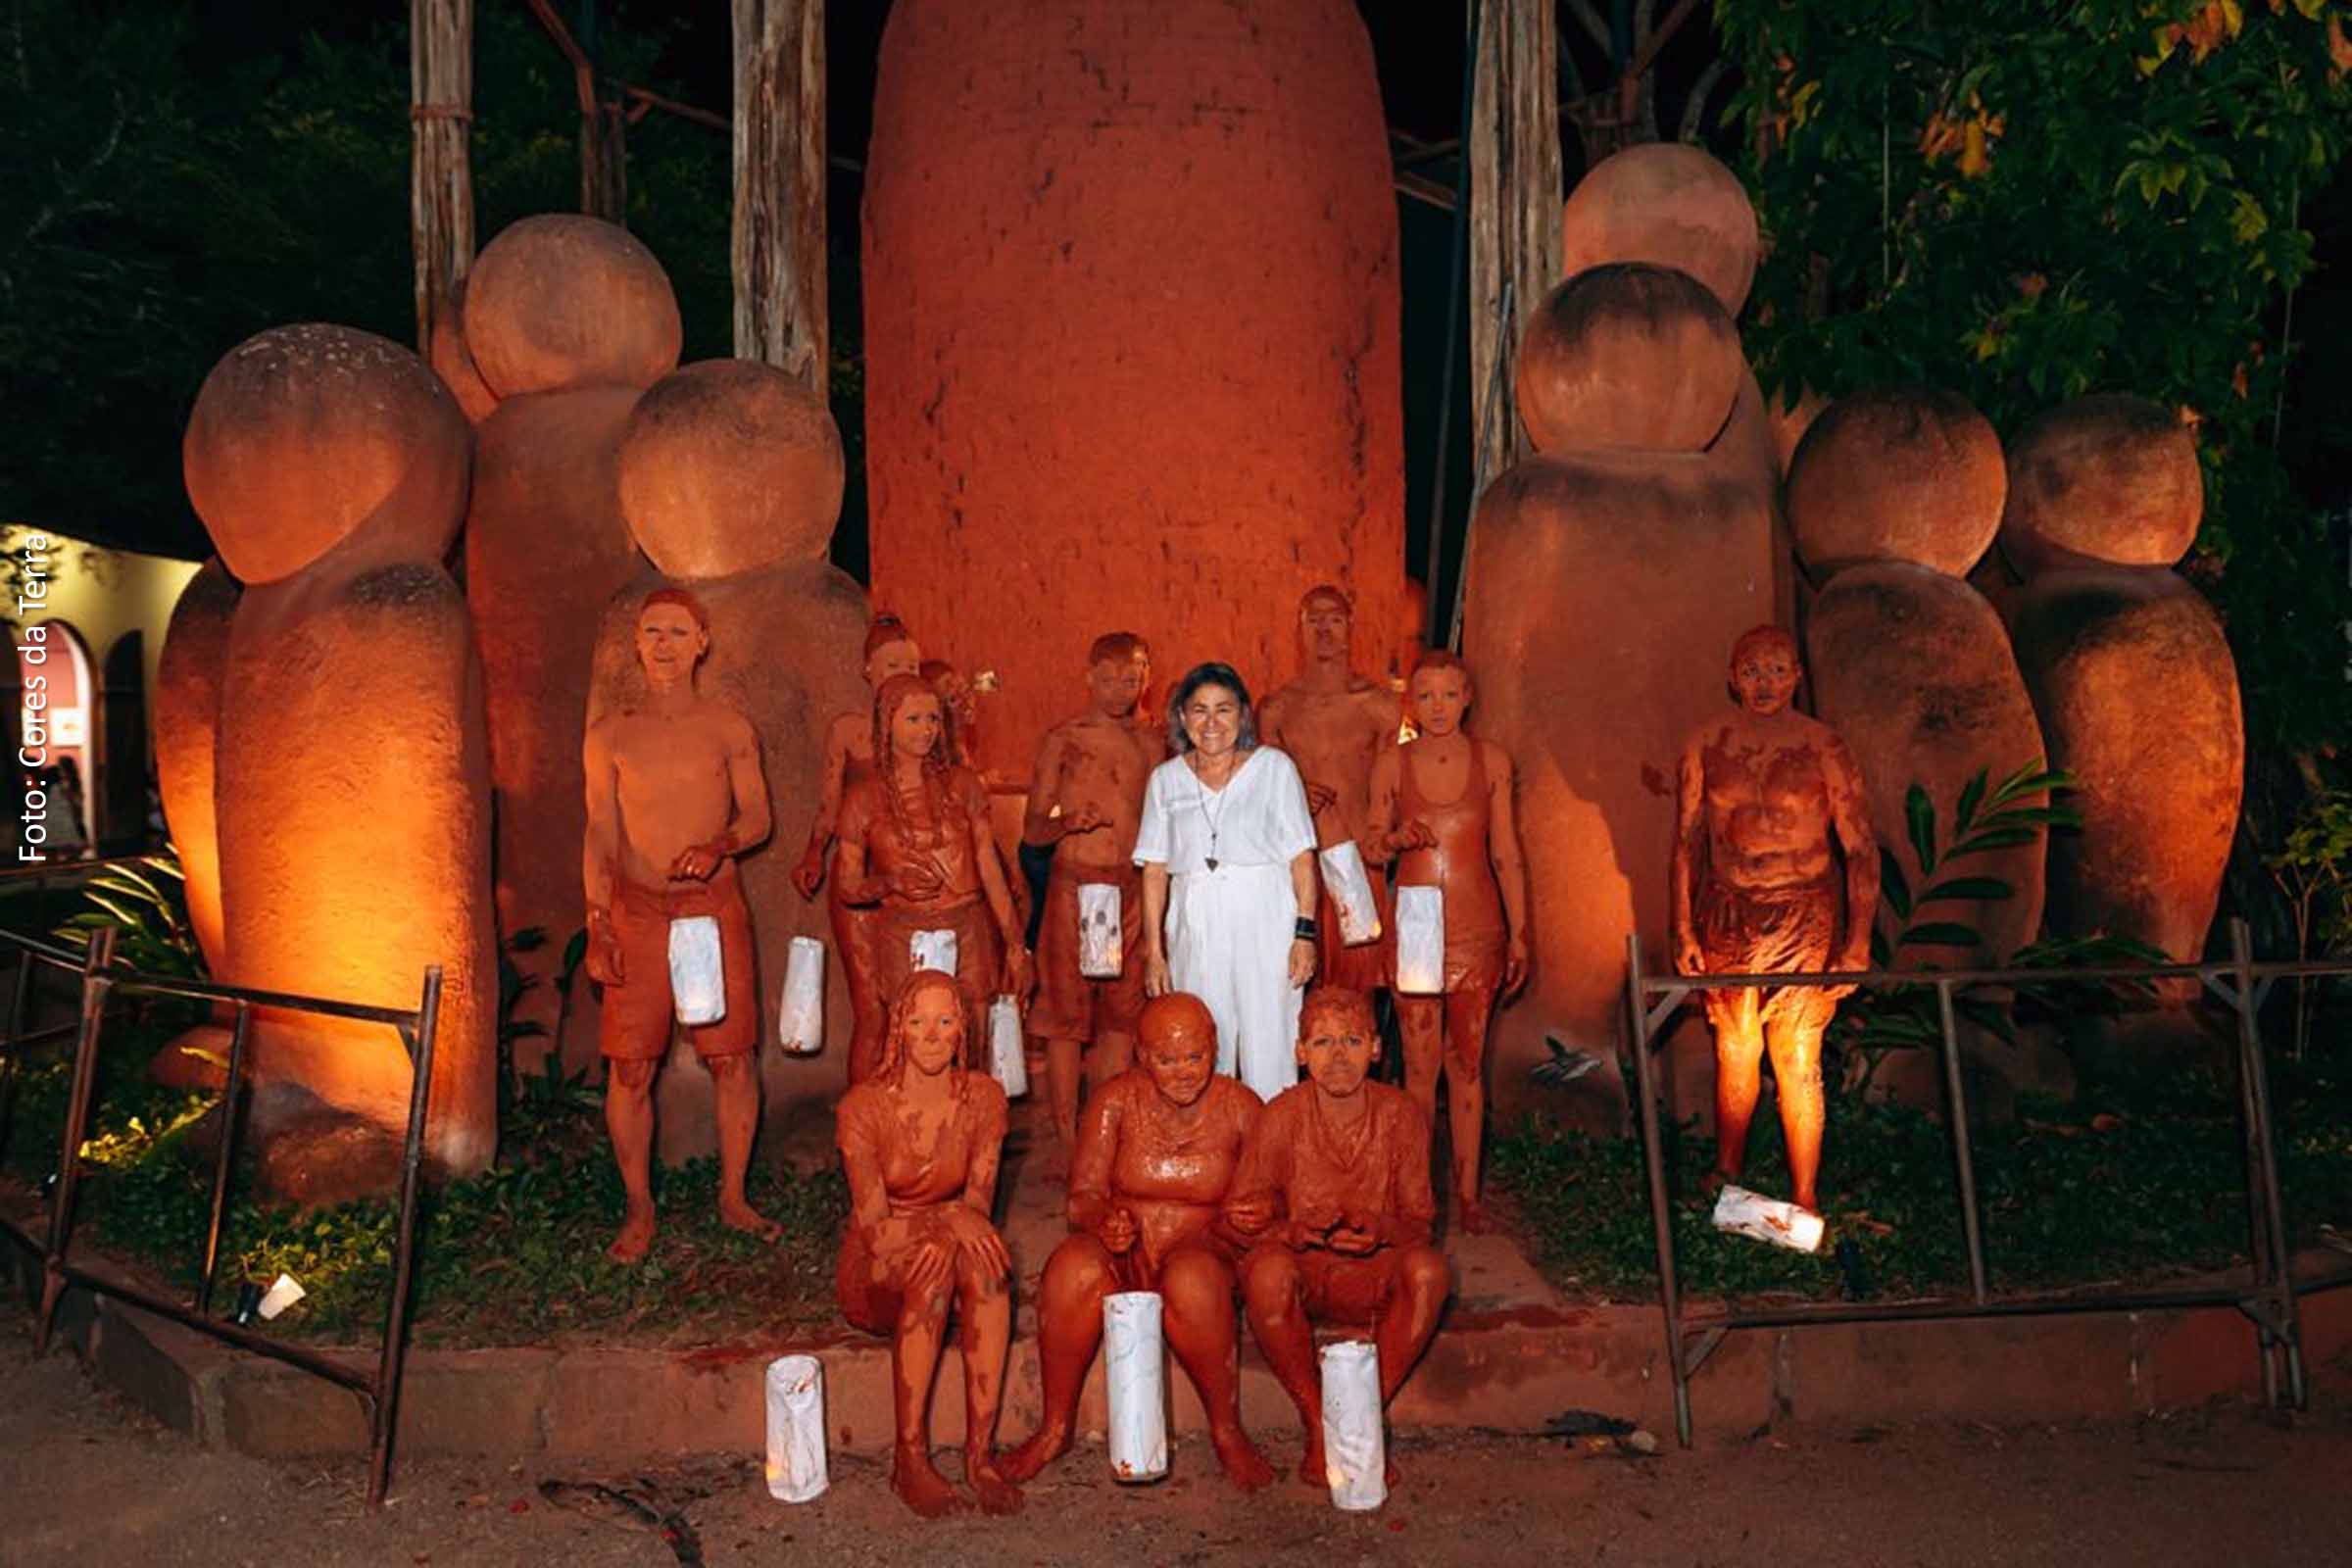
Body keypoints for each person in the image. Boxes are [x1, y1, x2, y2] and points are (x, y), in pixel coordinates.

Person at [1001, 992, 1273, 1490]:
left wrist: (1253, 1215)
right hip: (1127, 1251)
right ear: (1142, 1056)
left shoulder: (1241, 1107)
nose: (1185, 1071)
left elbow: (1268, 1201)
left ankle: (1227, 1430)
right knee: (1071, 1268)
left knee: (1191, 1278)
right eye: (1167, 1060)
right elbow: (1081, 1198)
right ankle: (1054, 1427)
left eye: (1195, 1056)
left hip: (1204, 1252)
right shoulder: (1116, 1101)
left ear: (1215, 1047)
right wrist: (1104, 1219)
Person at [582, 589, 779, 1263]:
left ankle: (733, 1196)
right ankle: (639, 1209)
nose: (663, 643)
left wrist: (718, 846)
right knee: (631, 1066)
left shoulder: (727, 727)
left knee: (731, 1055)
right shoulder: (610, 734)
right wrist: (598, 919)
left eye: (677, 631)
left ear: (702, 643)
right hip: (636, 907)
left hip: (712, 904)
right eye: (651, 631)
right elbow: (601, 831)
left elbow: (759, 819)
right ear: (637, 644)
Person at [1671, 625, 1878, 1216]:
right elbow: (1687, 840)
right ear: (1733, 677)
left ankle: (1805, 1197)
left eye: (1777, 670)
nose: (1765, 683)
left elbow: (1860, 846)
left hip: (1803, 911)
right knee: (1735, 1047)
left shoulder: (1823, 747)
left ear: (1797, 677)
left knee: (1796, 1051)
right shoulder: (1706, 743)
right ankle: (1727, 1172)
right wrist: (1682, 927)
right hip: (1729, 906)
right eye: (1752, 670)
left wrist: (1857, 942)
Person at [1226, 987, 1449, 1488]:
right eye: (1322, 1043)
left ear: (1376, 1047)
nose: (1338, 1057)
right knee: (1265, 1273)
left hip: (1374, 1273)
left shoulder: (1402, 1115)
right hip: (1308, 1273)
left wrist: (1383, 1230)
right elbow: (1241, 1221)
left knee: (1431, 1271)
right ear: (1300, 1052)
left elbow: (1420, 1223)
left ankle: (1361, 1416)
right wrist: (1292, 1230)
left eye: (1352, 1040)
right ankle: (1316, 1418)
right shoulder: (1280, 1116)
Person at [834, 972, 1022, 1517]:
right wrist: (943, 1220)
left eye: (945, 1021)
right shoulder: (864, 1108)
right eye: (919, 1023)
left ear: (964, 1028)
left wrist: (955, 1224)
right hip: (877, 1267)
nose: (933, 1036)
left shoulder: (984, 1098)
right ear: (899, 1031)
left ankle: (980, 1456)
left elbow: (978, 1208)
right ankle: (908, 1457)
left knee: (986, 1267)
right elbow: (875, 1231)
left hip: (948, 1242)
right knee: (932, 1266)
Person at [1363, 650, 1530, 1232]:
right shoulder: (1392, 763)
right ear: (1412, 700)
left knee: (1467, 1065)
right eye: (1425, 695)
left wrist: (1519, 932)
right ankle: (1416, 1194)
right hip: (1414, 923)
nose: (1437, 706)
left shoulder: (1491, 761)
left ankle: (1467, 1192)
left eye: (1448, 694)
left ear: (1467, 698)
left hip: (1476, 925)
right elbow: (1370, 845)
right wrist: (1395, 838)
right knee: (1418, 1068)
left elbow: (1505, 851)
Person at [1134, 662, 1319, 1102]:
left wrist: (1304, 934)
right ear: (1182, 717)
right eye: (1199, 710)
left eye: (1224, 709)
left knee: (1269, 1041)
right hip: (1195, 927)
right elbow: (1155, 870)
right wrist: (1155, 953)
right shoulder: (1165, 781)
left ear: (1242, 715)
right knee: (1199, 1041)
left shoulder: (1274, 769)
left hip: (1266, 920)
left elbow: (1301, 860)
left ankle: (1271, 1158)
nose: (1211, 723)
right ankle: (1212, 1158)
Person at [837, 674, 1028, 1073]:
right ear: (886, 722)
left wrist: (1013, 943)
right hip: (903, 931)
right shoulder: (863, 798)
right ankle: (913, 1133)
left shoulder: (963, 785)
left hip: (968, 925)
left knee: (970, 1046)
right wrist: (890, 883)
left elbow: (989, 869)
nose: (926, 730)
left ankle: (966, 1132)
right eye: (913, 719)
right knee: (911, 1050)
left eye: (933, 719)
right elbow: (848, 886)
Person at [1021, 632, 1165, 1158]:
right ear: (1088, 676)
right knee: (1065, 1017)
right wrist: (1066, 823)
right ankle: (1065, 1138)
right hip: (1073, 886)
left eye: (1131, 679)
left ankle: (1106, 1132)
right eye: (1108, 678)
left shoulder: (1153, 744)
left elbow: (1161, 829)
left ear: (1146, 678)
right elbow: (1033, 830)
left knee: (1122, 1015)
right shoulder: (1065, 738)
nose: (1119, 690)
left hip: (1128, 890)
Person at [792, 613, 923, 1081]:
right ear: (868, 670)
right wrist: (812, 852)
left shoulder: (928, 729)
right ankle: (860, 1132)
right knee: (873, 1010)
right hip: (862, 883)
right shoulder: (849, 731)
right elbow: (830, 804)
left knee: (920, 1005)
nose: (902, 672)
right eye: (891, 665)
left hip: (918, 884)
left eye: (910, 664)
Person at [1259, 585, 1399, 994]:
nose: (1324, 630)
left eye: (1334, 619)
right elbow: (1263, 788)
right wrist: (1296, 789)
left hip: (1359, 856)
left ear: (1350, 626)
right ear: (1298, 629)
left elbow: (1394, 786)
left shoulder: (1378, 705)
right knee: (1292, 984)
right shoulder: (1277, 708)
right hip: (1295, 861)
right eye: (1313, 620)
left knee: (1359, 984)